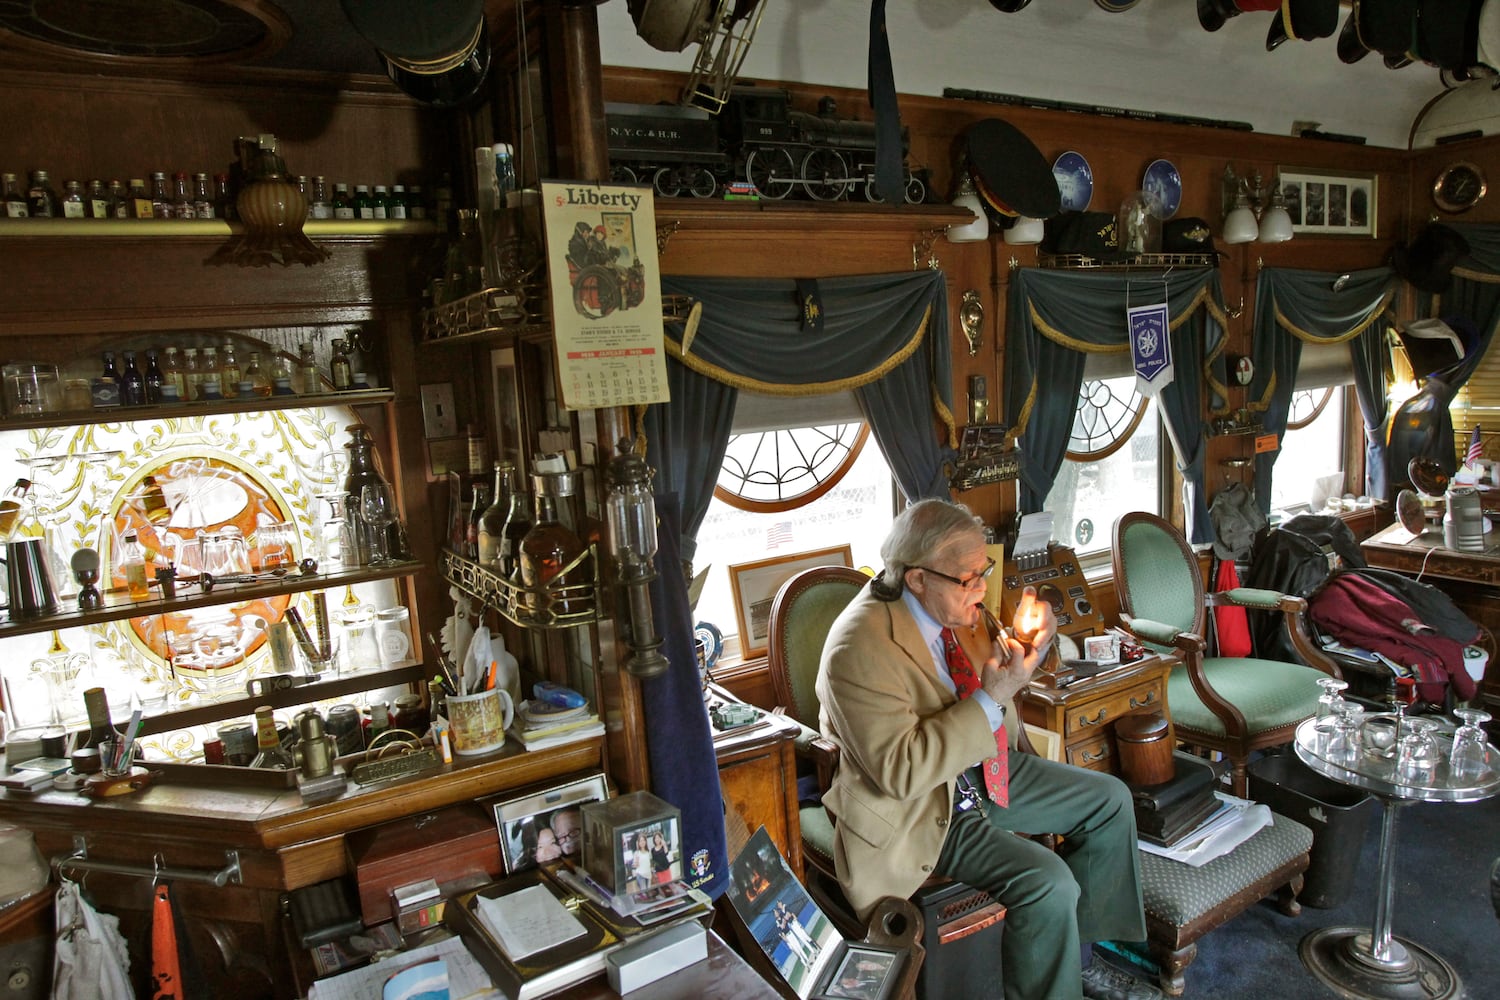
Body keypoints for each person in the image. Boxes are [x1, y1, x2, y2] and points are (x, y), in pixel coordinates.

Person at [815, 499, 1160, 1000]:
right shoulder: (858, 648)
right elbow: (901, 773)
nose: (981, 587)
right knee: (1050, 882)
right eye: (968, 577)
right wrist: (994, 694)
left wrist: (1037, 646)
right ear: (915, 578)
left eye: (985, 570)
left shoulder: (951, 602)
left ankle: (1079, 959)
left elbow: (995, 680)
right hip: (920, 805)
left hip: (980, 770)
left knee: (1110, 802)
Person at [772, 899, 818, 967]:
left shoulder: (785, 907)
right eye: (778, 905)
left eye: (779, 903)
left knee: (805, 936)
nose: (779, 905)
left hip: (794, 924)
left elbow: (790, 914)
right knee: (801, 942)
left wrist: (794, 918)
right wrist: (785, 938)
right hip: (791, 930)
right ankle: (811, 956)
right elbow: (781, 928)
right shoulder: (780, 916)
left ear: (781, 903)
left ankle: (816, 949)